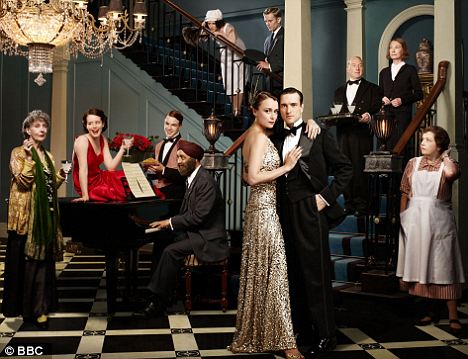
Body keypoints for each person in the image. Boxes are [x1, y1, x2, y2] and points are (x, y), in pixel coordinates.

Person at [273, 88, 352, 356]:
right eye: (283, 105)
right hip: (284, 211)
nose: (288, 110)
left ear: (302, 106)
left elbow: (345, 169)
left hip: (310, 209)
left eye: (293, 105)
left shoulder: (315, 134)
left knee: (315, 275)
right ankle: (304, 330)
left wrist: (325, 198)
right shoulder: (275, 136)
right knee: (293, 274)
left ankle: (326, 334)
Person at [229, 92, 303, 359]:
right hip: (263, 212)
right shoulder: (259, 137)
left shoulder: (255, 135)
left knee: (263, 274)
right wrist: (286, 167)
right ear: (254, 111)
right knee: (276, 275)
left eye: (275, 111)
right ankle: (285, 342)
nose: (274, 115)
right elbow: (252, 177)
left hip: (261, 210)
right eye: (268, 111)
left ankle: (260, 334)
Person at [135, 140, 229, 317]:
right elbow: (188, 215)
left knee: (171, 251)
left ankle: (158, 302)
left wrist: (168, 222)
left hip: (208, 239)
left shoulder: (205, 182)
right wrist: (151, 222)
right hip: (197, 234)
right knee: (163, 240)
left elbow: (197, 217)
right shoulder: (193, 178)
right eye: (177, 157)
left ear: (195, 160)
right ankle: (160, 294)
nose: (178, 161)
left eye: (182, 157)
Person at [3, 110, 70, 329]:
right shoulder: (18, 153)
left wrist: (61, 174)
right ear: (27, 130)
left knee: (43, 265)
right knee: (28, 267)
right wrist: (30, 159)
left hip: (46, 217)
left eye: (44, 126)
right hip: (25, 220)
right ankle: (27, 309)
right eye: (37, 126)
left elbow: (50, 188)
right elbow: (23, 183)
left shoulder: (48, 156)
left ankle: (40, 308)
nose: (42, 129)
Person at [397, 126, 465, 335]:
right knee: (421, 264)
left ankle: (452, 314)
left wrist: (445, 155)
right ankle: (429, 310)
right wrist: (404, 218)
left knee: (444, 264)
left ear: (439, 145)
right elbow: (405, 192)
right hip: (415, 220)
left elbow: (452, 174)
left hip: (439, 221)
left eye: (428, 140)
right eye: (422, 139)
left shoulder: (449, 165)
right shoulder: (413, 163)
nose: (422, 143)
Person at [334, 56, 383, 216]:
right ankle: (348, 203)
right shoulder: (339, 90)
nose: (357, 68)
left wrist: (370, 115)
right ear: (348, 68)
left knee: (360, 168)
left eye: (360, 65)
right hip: (343, 134)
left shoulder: (373, 89)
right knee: (345, 168)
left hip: (361, 135)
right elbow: (335, 110)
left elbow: (377, 109)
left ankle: (362, 205)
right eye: (354, 65)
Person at [72, 108, 133, 202]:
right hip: (86, 184)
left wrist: (122, 149)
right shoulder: (82, 141)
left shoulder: (102, 139)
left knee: (126, 178)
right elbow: (83, 170)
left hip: (99, 177)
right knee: (110, 192)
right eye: (90, 123)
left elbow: (111, 167)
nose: (94, 126)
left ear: (103, 124)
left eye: (97, 122)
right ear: (86, 126)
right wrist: (85, 196)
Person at [379, 38, 423, 154]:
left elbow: (419, 94)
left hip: (402, 115)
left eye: (397, 47)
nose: (393, 50)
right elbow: (381, 93)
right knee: (386, 145)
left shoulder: (410, 70)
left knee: (401, 146)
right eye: (391, 47)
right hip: (386, 115)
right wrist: (383, 98)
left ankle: (402, 171)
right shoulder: (384, 72)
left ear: (403, 51)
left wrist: (402, 100)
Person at [204, 9, 246, 117]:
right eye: (209, 23)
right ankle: (234, 109)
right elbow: (202, 37)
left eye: (213, 23)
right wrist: (204, 27)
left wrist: (219, 34)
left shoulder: (228, 27)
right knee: (229, 84)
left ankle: (238, 110)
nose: (211, 25)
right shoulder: (210, 28)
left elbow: (232, 43)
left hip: (237, 55)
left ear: (219, 22)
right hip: (225, 56)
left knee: (238, 82)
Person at [146, 110, 185, 199]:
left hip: (176, 194)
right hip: (158, 192)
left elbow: (184, 175)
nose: (169, 128)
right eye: (167, 124)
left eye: (173, 125)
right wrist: (149, 169)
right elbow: (155, 176)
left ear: (180, 126)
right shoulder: (158, 146)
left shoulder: (184, 145)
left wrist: (163, 170)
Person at [256, 7, 284, 93]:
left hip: (280, 82)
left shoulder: (286, 36)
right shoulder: (267, 40)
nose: (267, 24)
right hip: (269, 83)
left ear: (278, 19)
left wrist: (269, 66)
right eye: (265, 21)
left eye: (270, 21)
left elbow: (289, 60)